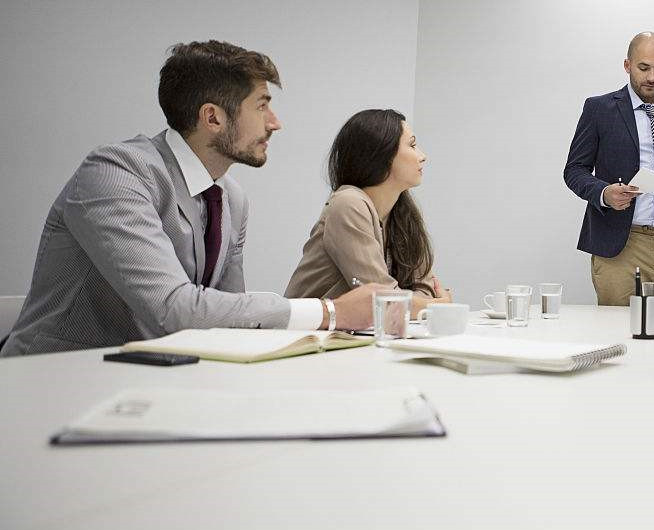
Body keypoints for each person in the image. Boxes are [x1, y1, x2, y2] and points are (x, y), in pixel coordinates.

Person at [0, 41, 382, 357]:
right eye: (262, 105)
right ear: (212, 118)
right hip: (51, 379)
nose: (274, 122)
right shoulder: (114, 173)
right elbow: (174, 309)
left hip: (149, 380)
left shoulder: (231, 199)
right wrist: (331, 312)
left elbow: (231, 319)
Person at [564, 32, 654, 308]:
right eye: (643, 68)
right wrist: (604, 193)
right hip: (622, 245)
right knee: (618, 335)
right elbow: (574, 170)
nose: (651, 78)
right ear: (627, 65)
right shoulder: (600, 109)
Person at [285, 109, 451, 318]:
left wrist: (425, 304)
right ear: (382, 154)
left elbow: (424, 287)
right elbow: (383, 300)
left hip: (355, 339)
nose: (422, 156)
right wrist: (436, 306)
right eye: (412, 145)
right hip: (306, 338)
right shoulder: (348, 204)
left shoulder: (404, 212)